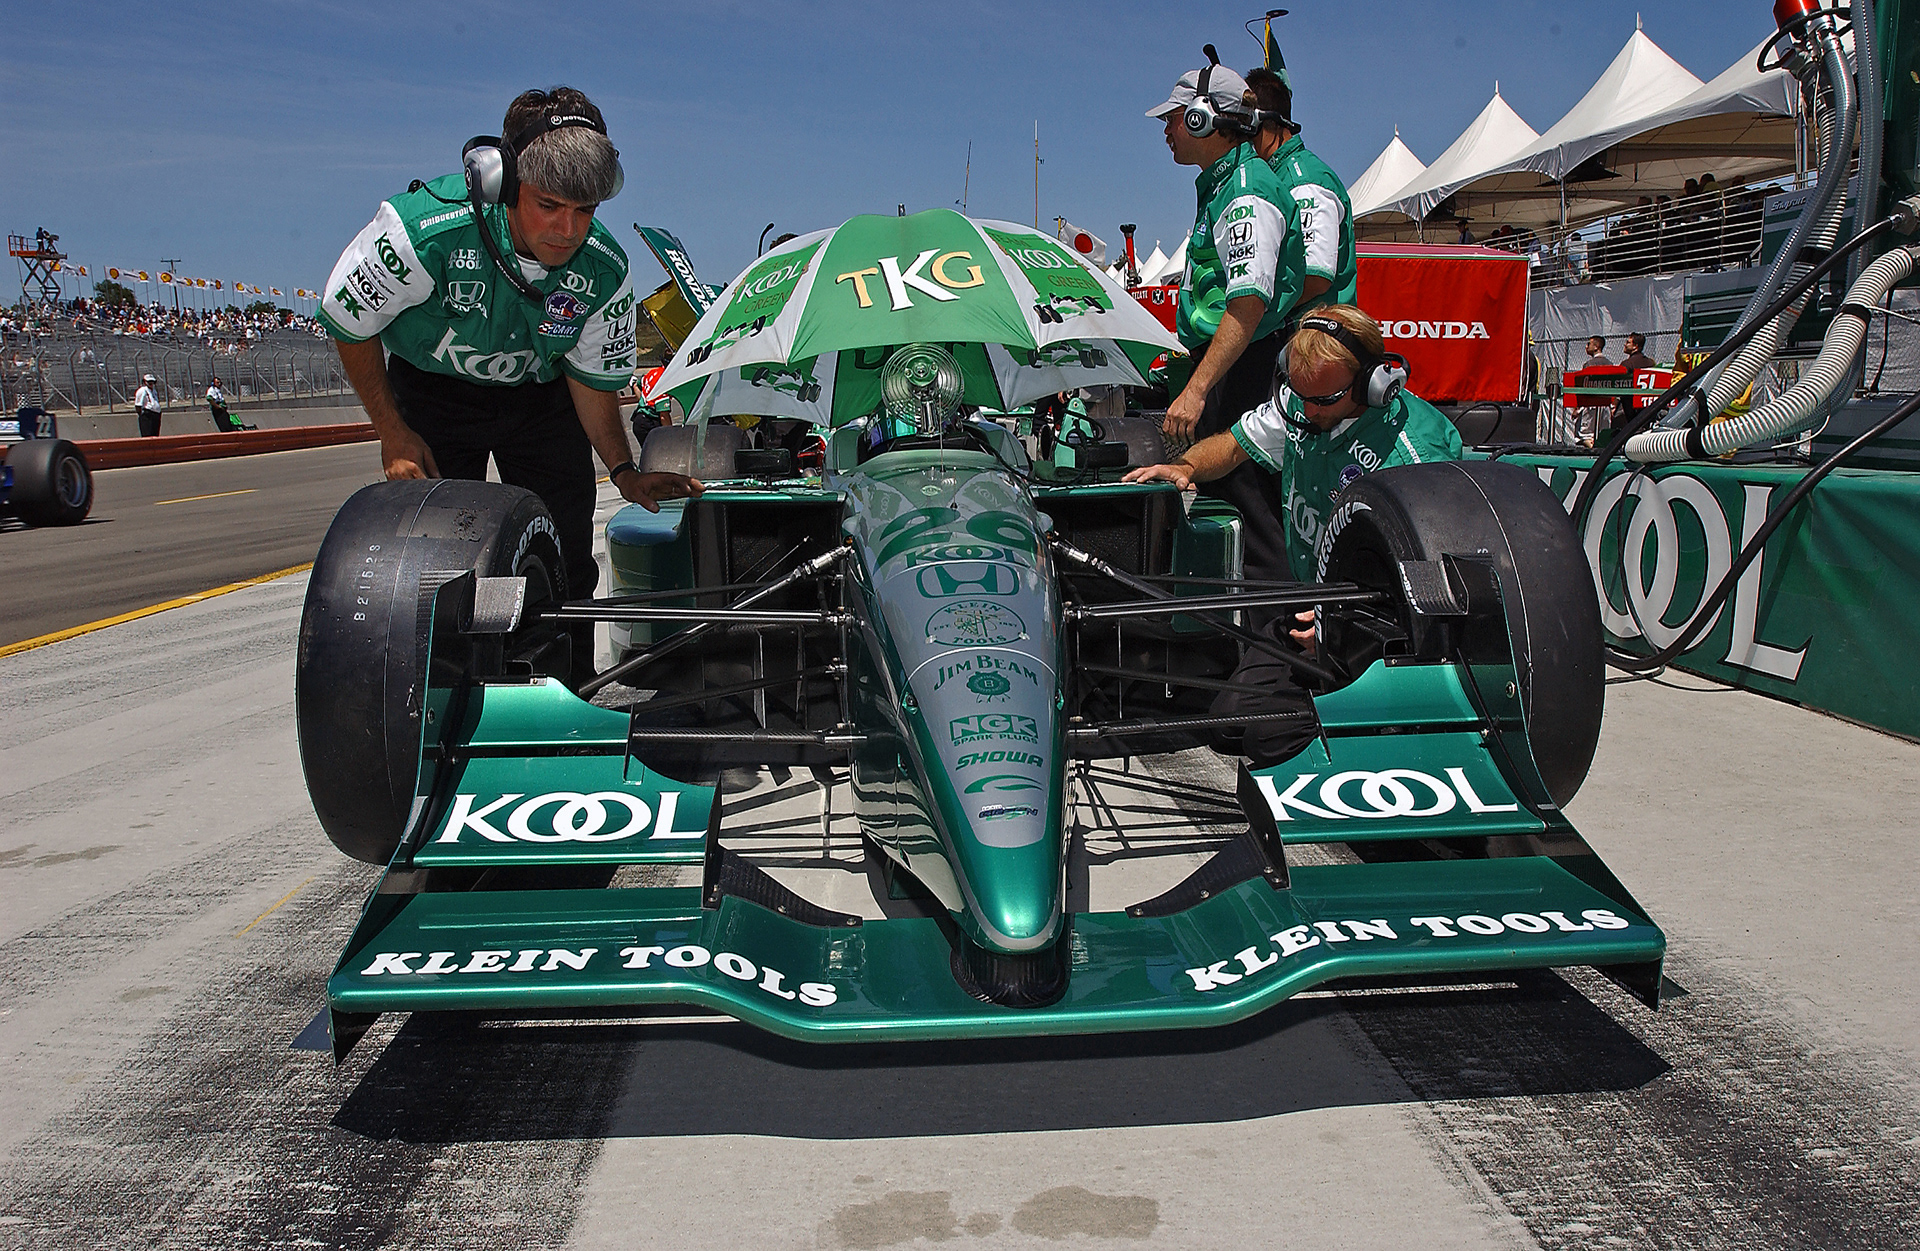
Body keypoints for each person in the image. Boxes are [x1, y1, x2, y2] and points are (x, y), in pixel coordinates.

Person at [319, 86, 702, 683]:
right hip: (434, 395)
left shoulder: (604, 270)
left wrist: (623, 471)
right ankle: (446, 699)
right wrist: (393, 433)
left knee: (568, 558)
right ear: (502, 182)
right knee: (440, 562)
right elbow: (348, 318)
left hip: (541, 400)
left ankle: (569, 698)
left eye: (585, 211)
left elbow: (592, 381)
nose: (567, 229)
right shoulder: (422, 233)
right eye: (549, 205)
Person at [1123, 305, 1462, 766]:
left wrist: (1340, 627)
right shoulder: (1301, 407)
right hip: (1313, 610)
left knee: (1272, 743)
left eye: (1323, 400)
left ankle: (1385, 750)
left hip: (1384, 634)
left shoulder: (1415, 453)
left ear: (1373, 385)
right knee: (1227, 725)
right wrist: (1184, 465)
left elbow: (1436, 589)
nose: (1306, 410)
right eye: (1298, 394)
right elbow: (1232, 445)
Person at [1147, 56, 1306, 585]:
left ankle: (1271, 660)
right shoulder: (1225, 185)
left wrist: (1196, 390)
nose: (1166, 128)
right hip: (1235, 368)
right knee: (1230, 521)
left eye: (1173, 116)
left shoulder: (1245, 191)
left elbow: (1248, 304)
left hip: (1248, 371)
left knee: (1254, 525)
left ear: (1203, 118)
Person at [1246, 66, 1356, 316]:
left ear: (1267, 123)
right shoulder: (1278, 176)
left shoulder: (1305, 181)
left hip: (1316, 345)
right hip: (1296, 340)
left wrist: (1253, 316)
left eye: (1246, 125)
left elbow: (1315, 278)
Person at [1575, 335, 1614, 447]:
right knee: (1602, 432)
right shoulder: (1609, 364)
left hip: (1590, 404)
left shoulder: (1589, 365)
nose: (1586, 346)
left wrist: (1578, 408)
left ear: (1596, 346)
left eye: (1589, 344)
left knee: (1585, 433)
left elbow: (1583, 387)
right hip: (1606, 404)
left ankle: (1591, 450)